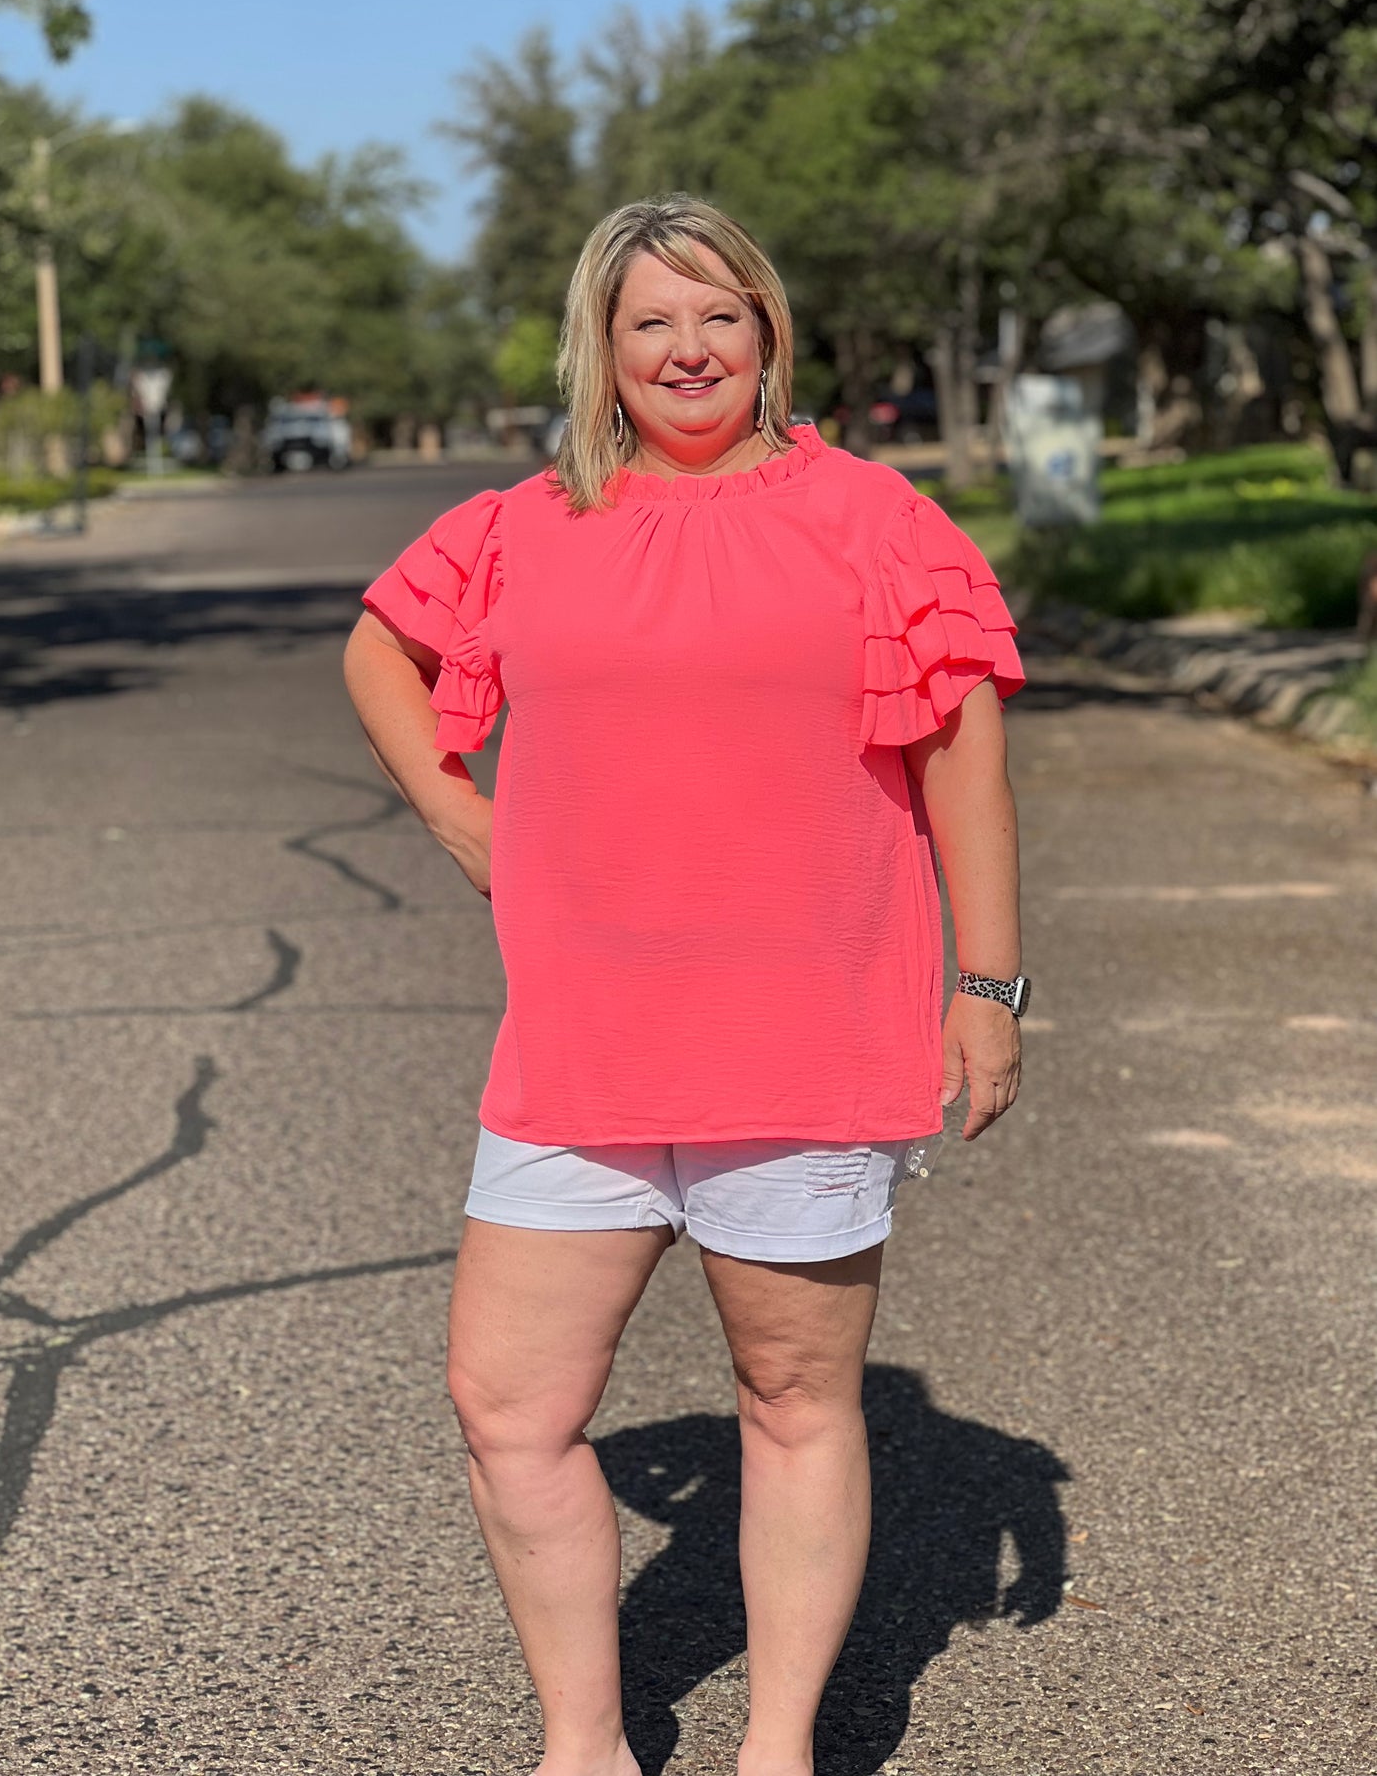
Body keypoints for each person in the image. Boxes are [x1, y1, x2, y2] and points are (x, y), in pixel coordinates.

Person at [343, 195, 1028, 1776]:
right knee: (507, 1408)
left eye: (718, 314)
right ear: (602, 348)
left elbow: (962, 764)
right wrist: (462, 815)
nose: (687, 348)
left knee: (789, 1399)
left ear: (769, 333)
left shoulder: (872, 518)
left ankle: (775, 1748)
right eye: (649, 321)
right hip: (577, 1043)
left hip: (803, 1033)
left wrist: (985, 983)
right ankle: (581, 1744)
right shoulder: (524, 523)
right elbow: (380, 649)